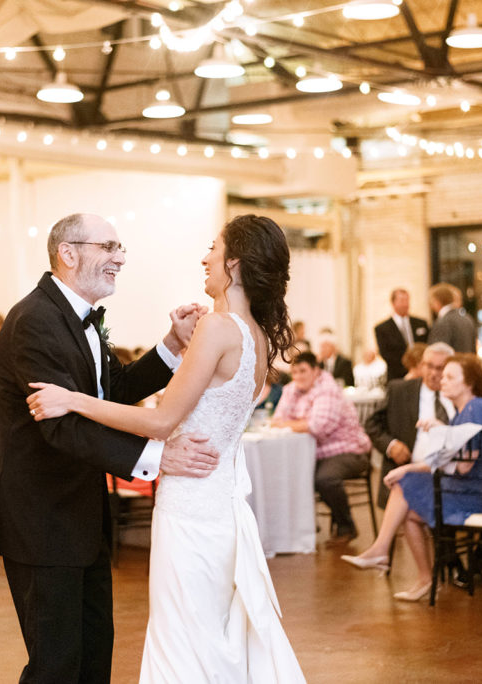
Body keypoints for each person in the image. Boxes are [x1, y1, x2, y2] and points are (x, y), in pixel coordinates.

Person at [24, 213, 305, 682]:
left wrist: (73, 399)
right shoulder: (253, 333)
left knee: (182, 638)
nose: (204, 257)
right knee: (210, 632)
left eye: (213, 248)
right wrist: (174, 343)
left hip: (190, 507)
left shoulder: (219, 328)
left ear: (233, 264)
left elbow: (160, 421)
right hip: (220, 505)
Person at [0, 212, 225, 684]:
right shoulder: (35, 321)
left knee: (94, 656)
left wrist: (171, 346)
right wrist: (158, 458)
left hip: (81, 518)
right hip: (42, 521)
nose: (120, 258)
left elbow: (109, 393)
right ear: (68, 253)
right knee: (56, 666)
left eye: (121, 249)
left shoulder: (78, 319)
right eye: (109, 247)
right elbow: (64, 426)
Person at [342, 353, 482, 601]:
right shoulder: (464, 411)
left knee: (405, 487)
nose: (442, 380)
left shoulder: (474, 408)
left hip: (480, 496)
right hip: (470, 491)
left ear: (469, 382)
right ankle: (420, 575)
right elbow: (454, 458)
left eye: (450, 376)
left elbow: (465, 467)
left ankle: (385, 552)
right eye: (443, 376)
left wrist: (410, 467)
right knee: (408, 512)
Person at [272, 351, 372, 544]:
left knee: (324, 479)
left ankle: (346, 525)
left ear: (316, 371)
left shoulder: (328, 389)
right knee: (290, 475)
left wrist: (291, 423)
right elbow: (277, 419)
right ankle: (302, 526)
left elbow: (318, 427)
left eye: (303, 371)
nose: (298, 376)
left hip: (349, 450)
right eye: (295, 372)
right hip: (315, 454)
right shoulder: (291, 389)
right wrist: (301, 422)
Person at [364, 343, 455, 508]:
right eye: (429, 366)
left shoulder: (457, 394)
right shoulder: (400, 390)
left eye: (440, 368)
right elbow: (372, 424)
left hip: (447, 472)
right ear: (421, 365)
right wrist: (391, 446)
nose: (434, 373)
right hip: (406, 467)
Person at [375, 287, 430, 382]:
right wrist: (410, 370)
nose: (405, 304)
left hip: (422, 375)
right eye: (402, 300)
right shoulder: (382, 328)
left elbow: (427, 345)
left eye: (407, 300)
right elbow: (386, 354)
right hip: (397, 376)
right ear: (393, 303)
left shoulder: (421, 323)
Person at [427, 283, 476, 353]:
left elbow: (437, 354)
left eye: (431, 301)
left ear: (437, 301)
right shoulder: (468, 319)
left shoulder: (442, 322)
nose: (431, 306)